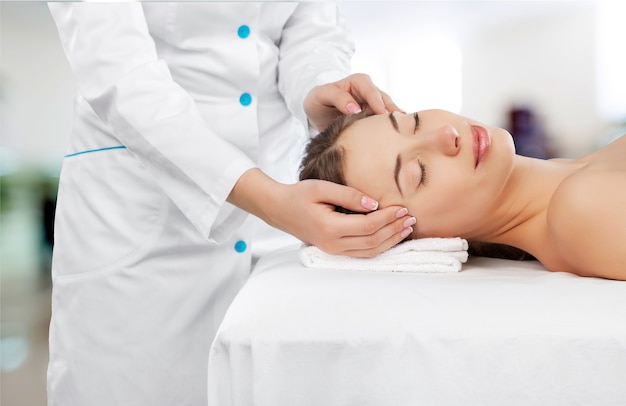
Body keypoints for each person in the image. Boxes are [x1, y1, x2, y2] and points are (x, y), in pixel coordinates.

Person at [46, 3, 414, 405]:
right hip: (139, 207)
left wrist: (318, 85)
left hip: (278, 194)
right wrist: (270, 200)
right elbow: (117, 69)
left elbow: (311, 26)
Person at [299, 108, 626, 281]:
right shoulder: (582, 210)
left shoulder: (585, 174)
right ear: (423, 240)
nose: (446, 134)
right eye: (419, 173)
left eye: (414, 122)